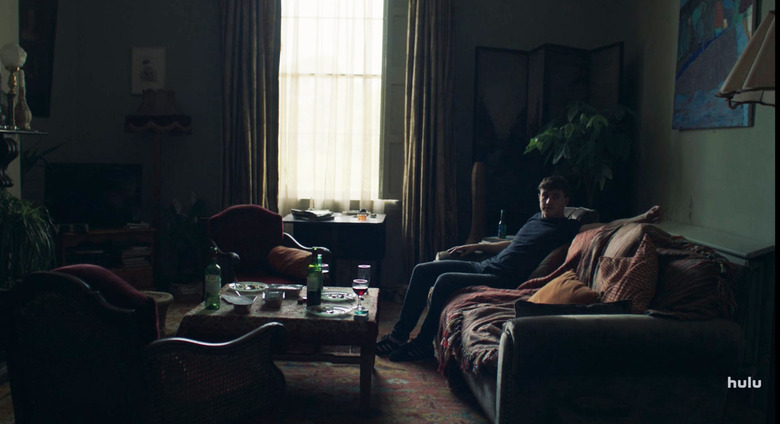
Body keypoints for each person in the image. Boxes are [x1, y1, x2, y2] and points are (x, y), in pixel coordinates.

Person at [377, 175, 662, 362]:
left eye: (554, 196)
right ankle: (399, 335)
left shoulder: (568, 227)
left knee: (442, 282)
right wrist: (476, 245)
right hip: (486, 264)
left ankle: (423, 345)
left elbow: (607, 225)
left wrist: (641, 217)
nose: (547, 201)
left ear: (566, 200)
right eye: (543, 195)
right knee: (422, 269)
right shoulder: (535, 219)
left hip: (502, 277)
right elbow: (511, 243)